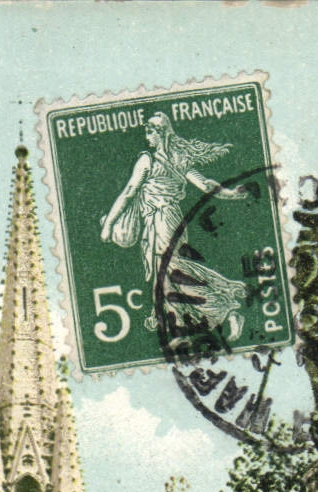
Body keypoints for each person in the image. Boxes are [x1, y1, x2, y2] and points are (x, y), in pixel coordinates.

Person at [100, 111, 251, 339]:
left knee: (173, 271)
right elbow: (206, 184)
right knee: (165, 275)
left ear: (159, 133)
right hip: (172, 220)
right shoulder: (180, 161)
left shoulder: (147, 160)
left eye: (149, 132)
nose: (147, 137)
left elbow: (129, 192)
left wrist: (108, 224)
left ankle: (225, 309)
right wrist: (229, 194)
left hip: (161, 221)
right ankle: (178, 329)